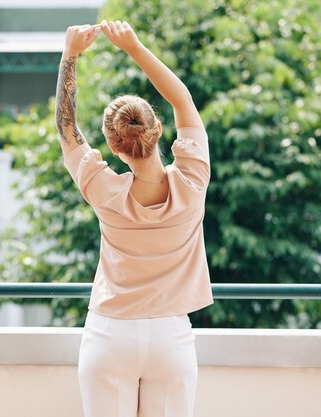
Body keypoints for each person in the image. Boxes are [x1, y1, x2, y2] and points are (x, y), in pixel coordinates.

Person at [55, 20, 214, 417]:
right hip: (170, 338)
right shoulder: (193, 180)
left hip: (110, 333)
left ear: (112, 145)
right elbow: (184, 101)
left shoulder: (104, 190)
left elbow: (67, 127)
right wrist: (135, 47)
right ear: (158, 129)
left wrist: (69, 55)